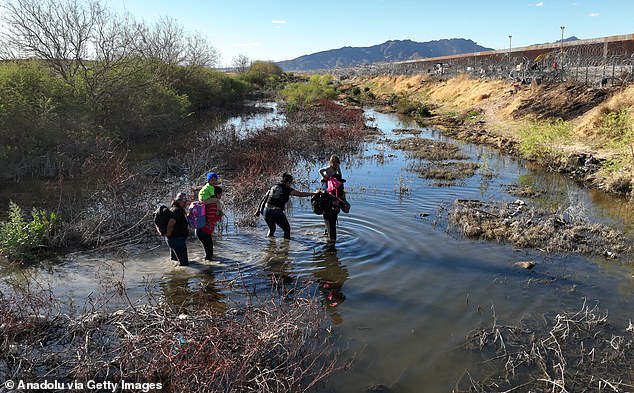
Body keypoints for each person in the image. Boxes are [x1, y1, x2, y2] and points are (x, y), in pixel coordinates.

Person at [263, 172, 319, 240]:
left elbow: (265, 198)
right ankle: (286, 248)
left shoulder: (274, 186)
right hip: (276, 211)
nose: (291, 184)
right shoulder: (286, 188)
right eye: (291, 182)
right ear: (288, 182)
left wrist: (259, 210)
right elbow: (300, 194)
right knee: (287, 229)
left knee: (272, 229)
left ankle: (269, 246)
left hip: (266, 211)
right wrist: (314, 193)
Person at [195, 186, 224, 261]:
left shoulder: (208, 202)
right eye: (220, 194)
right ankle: (207, 269)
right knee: (209, 255)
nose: (221, 196)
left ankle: (206, 265)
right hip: (204, 231)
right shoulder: (213, 205)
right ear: (216, 194)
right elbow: (209, 219)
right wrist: (219, 216)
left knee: (208, 253)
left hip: (201, 230)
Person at [166, 192, 190, 266]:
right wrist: (169, 235)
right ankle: (181, 276)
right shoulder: (177, 211)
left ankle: (174, 275)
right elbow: (171, 224)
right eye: (184, 201)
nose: (185, 203)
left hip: (174, 239)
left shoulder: (174, 209)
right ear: (178, 201)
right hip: (177, 240)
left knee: (175, 261)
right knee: (184, 264)